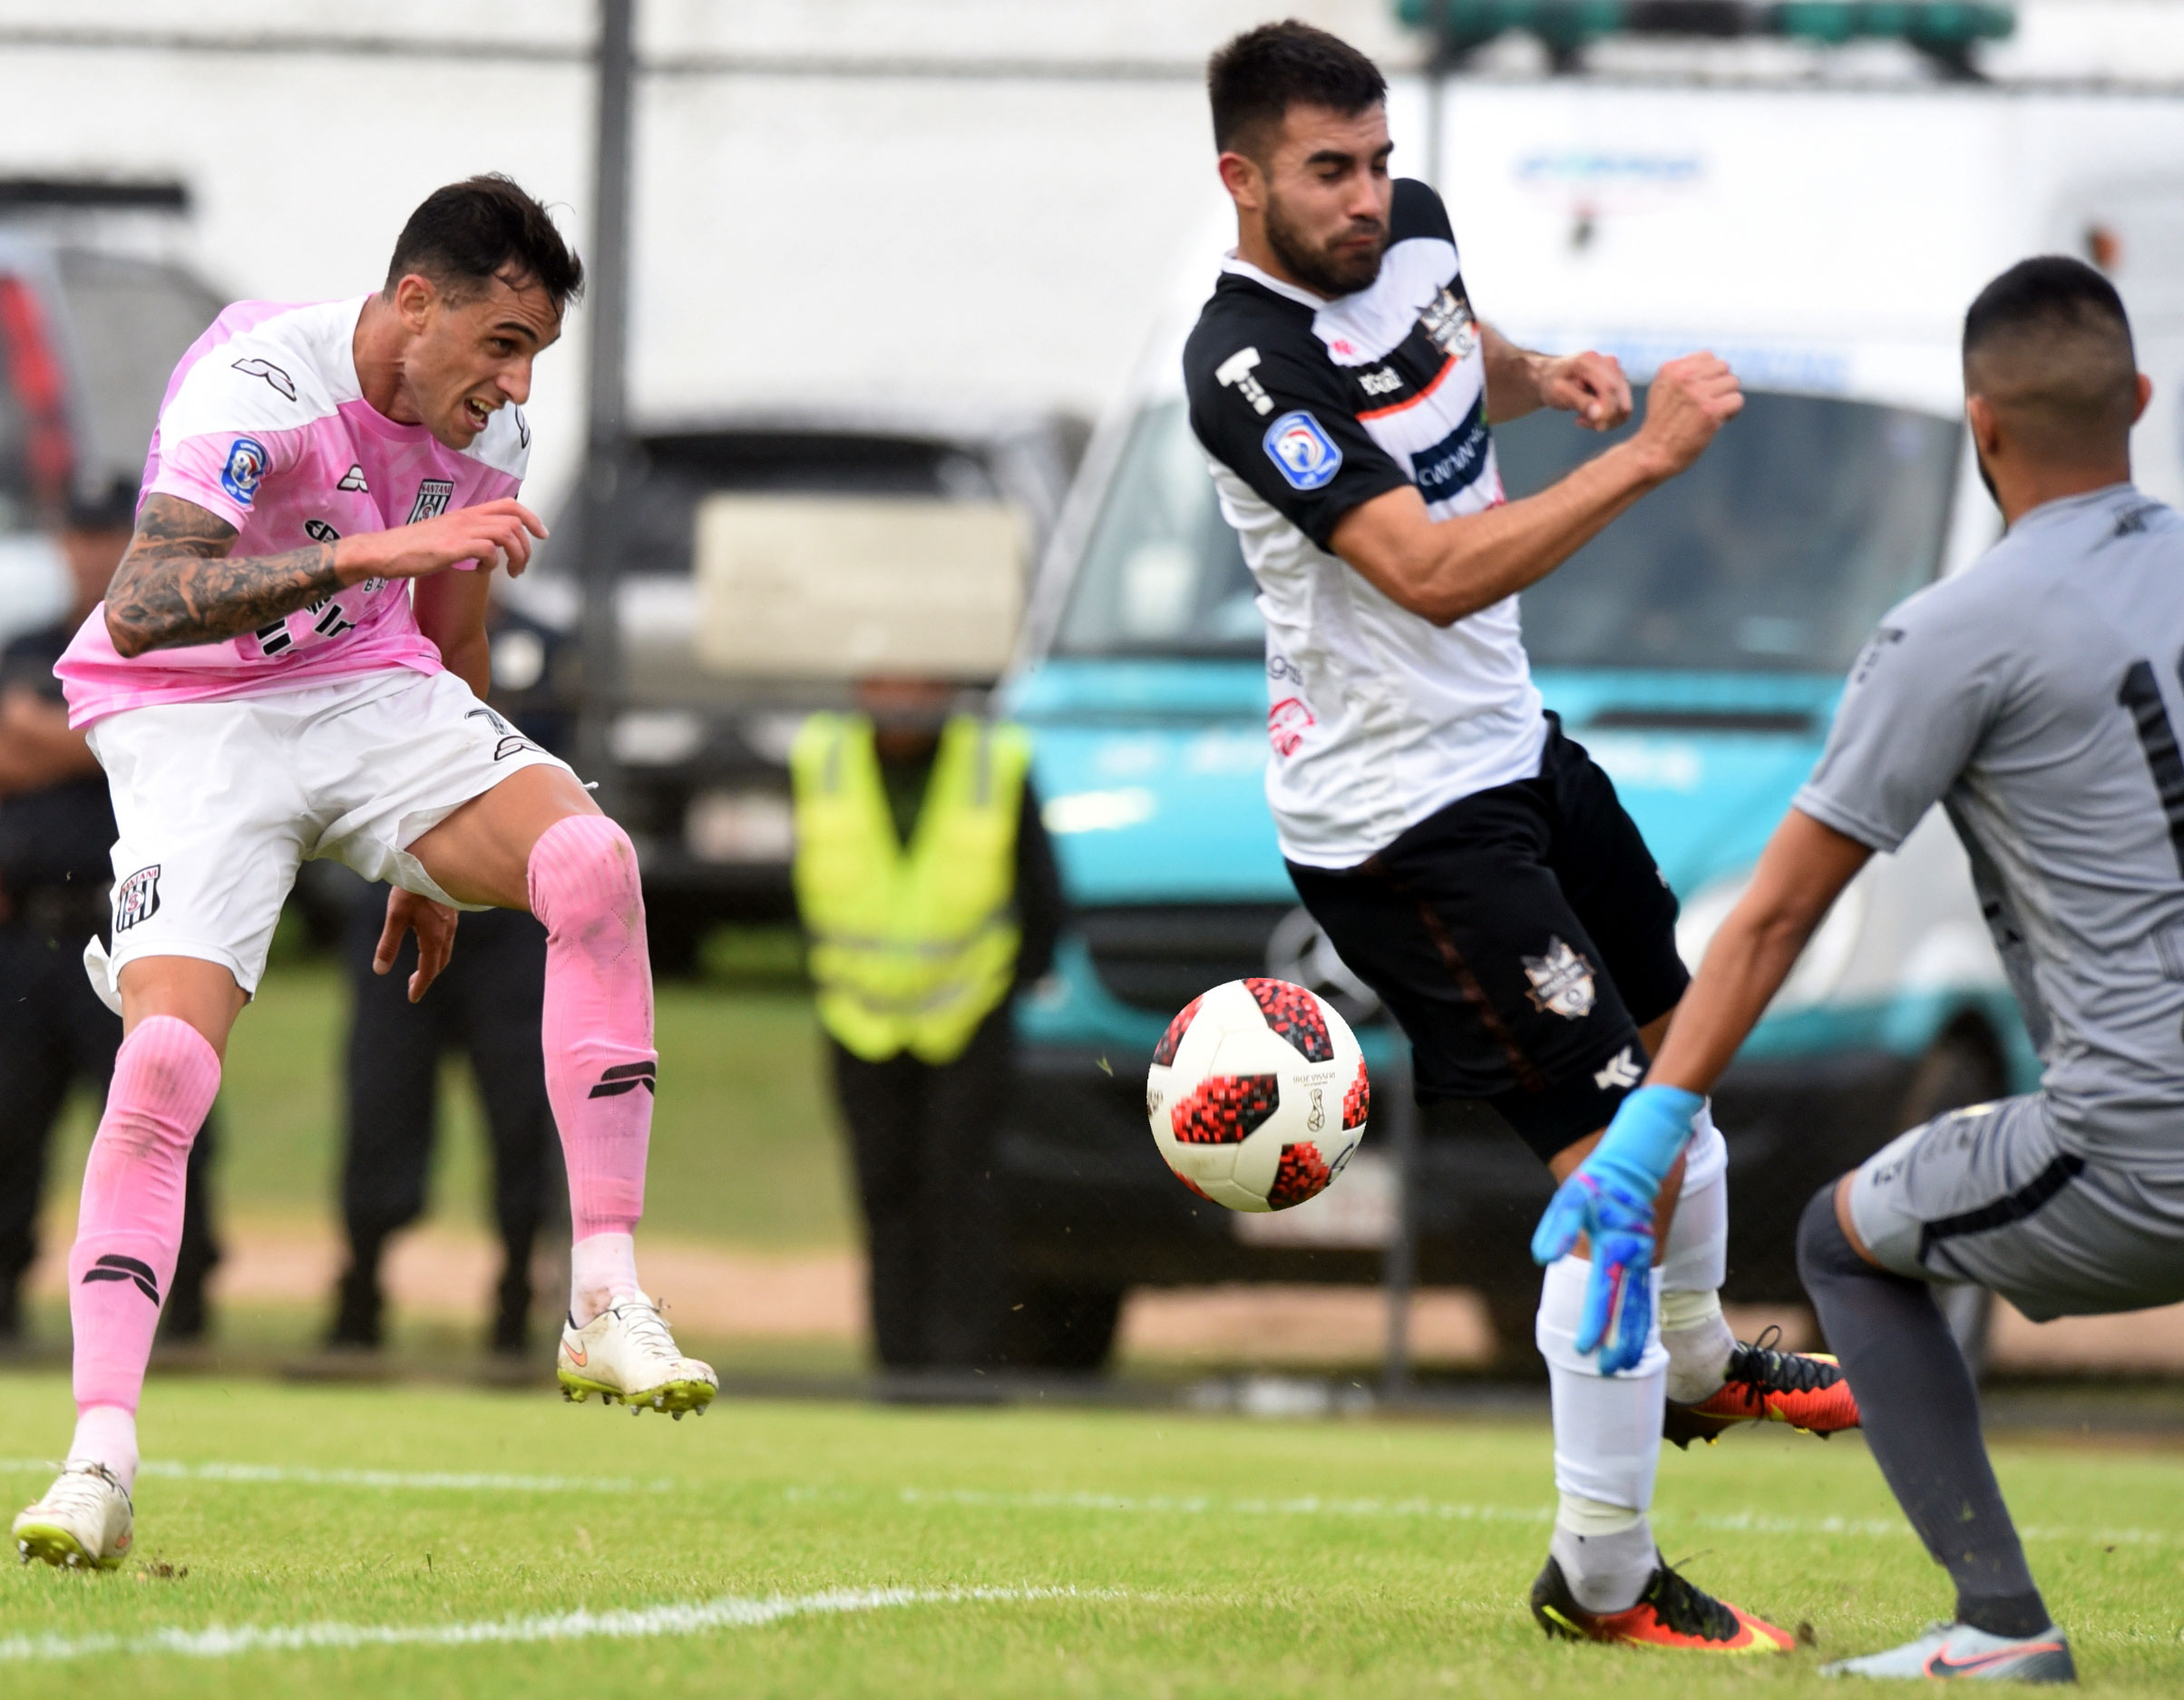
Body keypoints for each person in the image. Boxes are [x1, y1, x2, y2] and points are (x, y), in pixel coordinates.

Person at [1185, 23, 1855, 1653]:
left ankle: (1693, 1368)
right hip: (1395, 819)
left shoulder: (1406, 230)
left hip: (1506, 751)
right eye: (1324, 171)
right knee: (1615, 1176)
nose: (1364, 195)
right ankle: (1601, 1577)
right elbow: (1418, 569)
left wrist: (1540, 373)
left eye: (1375, 156)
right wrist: (1638, 456)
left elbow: (1442, 339)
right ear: (1240, 179)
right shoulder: (1240, 370)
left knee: (1681, 1090)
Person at [10, 175, 713, 1574]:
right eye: (501, 343)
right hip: (191, 722)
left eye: (536, 356)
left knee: (589, 860)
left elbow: (452, 627)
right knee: (162, 1072)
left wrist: (430, 853)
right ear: (412, 303)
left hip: (369, 696)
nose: (516, 385)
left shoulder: (490, 425)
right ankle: (100, 1452)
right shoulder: (257, 378)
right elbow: (147, 605)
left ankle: (604, 1292)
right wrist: (380, 545)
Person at [1561, 256, 2177, 1683]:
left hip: (2144, 1134)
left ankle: (2002, 1625)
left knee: (1845, 1238)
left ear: (1982, 425)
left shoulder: (1949, 633)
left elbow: (1772, 918)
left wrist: (1651, 1121)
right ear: (2139, 401)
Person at [0, 479, 219, 1344]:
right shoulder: (23, 646)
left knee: (163, 1119)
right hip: (29, 929)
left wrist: (40, 735)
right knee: (11, 1124)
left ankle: (186, 1312)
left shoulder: (179, 643)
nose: (95, 554)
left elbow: (172, 747)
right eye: (81, 535)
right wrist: (106, 736)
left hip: (140, 926)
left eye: (111, 537)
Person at [791, 676, 1063, 1374]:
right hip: (858, 1014)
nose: (902, 693)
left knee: (962, 1188)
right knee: (885, 1191)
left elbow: (1041, 894)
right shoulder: (820, 754)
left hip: (968, 1014)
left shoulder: (993, 758)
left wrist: (1008, 986)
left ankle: (965, 1362)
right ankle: (897, 1364)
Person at [327, 601, 571, 1358]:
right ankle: (361, 1289)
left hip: (512, 924)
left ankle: (513, 1297)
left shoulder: (546, 647)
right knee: (381, 1101)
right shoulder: (366, 626)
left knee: (524, 1112)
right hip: (394, 905)